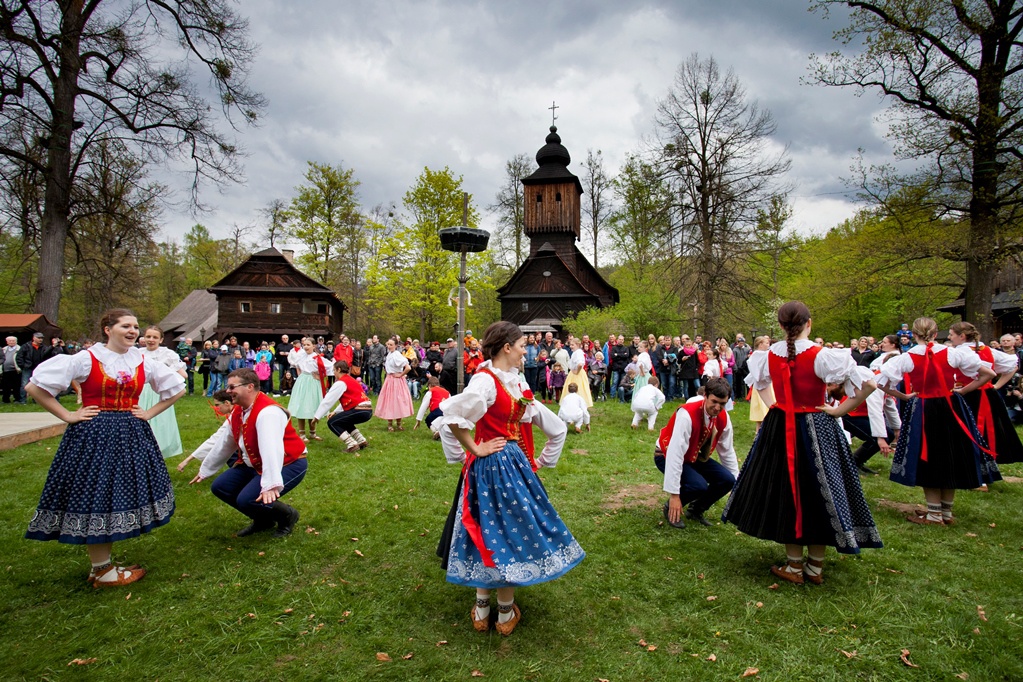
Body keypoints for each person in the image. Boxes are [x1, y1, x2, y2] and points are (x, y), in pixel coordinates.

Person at [435, 321, 582, 636]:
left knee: (493, 531)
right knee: (504, 532)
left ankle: (488, 610)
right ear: (506, 347)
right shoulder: (485, 381)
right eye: (520, 346)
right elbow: (450, 417)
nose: (524, 351)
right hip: (495, 465)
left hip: (506, 465)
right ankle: (497, 613)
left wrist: (468, 455)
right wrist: (473, 447)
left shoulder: (515, 381)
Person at [723, 301, 882, 585]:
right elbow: (868, 385)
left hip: (780, 426)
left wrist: (776, 407)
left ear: (781, 326)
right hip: (817, 426)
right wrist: (839, 411)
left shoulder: (766, 354)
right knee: (819, 489)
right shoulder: (824, 355)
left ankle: (794, 566)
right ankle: (814, 567)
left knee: (786, 489)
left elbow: (759, 384)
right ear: (809, 323)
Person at [24, 309, 185, 587]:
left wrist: (149, 413)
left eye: (135, 326)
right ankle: (102, 570)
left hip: (131, 433)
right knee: (98, 494)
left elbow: (177, 388)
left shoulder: (143, 361)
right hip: (94, 435)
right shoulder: (87, 358)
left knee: (116, 494)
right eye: (126, 326)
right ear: (108, 329)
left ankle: (103, 566)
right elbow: (36, 387)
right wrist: (68, 415)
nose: (133, 331)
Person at [875, 318, 1000, 525]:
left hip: (923, 409)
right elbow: (989, 373)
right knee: (950, 454)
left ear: (914, 335)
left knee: (929, 456)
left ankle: (934, 515)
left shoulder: (906, 357)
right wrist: (962, 391)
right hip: (951, 407)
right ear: (935, 334)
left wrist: (904, 396)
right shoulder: (953, 353)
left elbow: (880, 382)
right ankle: (946, 513)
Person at [190, 368, 307, 538]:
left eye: (232, 387)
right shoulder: (239, 409)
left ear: (250, 387)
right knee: (221, 487)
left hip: (289, 463)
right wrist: (207, 468)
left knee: (248, 499)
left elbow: (271, 449)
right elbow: (226, 441)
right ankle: (263, 520)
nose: (228, 391)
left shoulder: (268, 413)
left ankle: (288, 516)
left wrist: (270, 484)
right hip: (255, 463)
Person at [656, 377, 739, 529]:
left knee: (728, 480)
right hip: (665, 455)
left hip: (693, 456)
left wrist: (737, 488)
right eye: (714, 401)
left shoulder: (723, 417)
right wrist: (674, 495)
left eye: (722, 403)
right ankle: (671, 507)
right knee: (698, 485)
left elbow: (727, 451)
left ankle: (696, 510)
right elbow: (675, 454)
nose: (717, 407)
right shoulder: (687, 414)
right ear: (705, 396)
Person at [947, 322, 1023, 467]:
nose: (950, 337)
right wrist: (995, 386)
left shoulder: (960, 352)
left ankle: (977, 470)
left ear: (962, 336)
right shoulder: (987, 349)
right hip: (988, 394)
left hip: (968, 395)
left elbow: (1008, 367)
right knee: (987, 432)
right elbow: (1013, 365)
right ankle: (985, 468)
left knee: (971, 430)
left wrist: (965, 390)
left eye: (951, 334)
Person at [139, 326, 186, 458]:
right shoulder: (138, 353)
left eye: (155, 337)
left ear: (161, 340)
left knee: (158, 422)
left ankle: (156, 449)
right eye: (148, 337)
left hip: (159, 391)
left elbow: (183, 375)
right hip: (141, 391)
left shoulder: (167, 354)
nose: (151, 340)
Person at [312, 361, 372, 452]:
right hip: (367, 410)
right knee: (343, 420)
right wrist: (335, 412)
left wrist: (317, 416)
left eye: (334, 370)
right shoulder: (352, 380)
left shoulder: (341, 383)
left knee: (332, 422)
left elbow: (328, 400)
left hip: (360, 410)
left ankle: (351, 444)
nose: (334, 373)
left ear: (339, 369)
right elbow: (349, 400)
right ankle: (361, 440)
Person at [177, 390, 234, 472]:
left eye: (217, 405)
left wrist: (187, 460)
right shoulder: (236, 412)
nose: (216, 408)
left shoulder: (235, 416)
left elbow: (215, 439)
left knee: (226, 448)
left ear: (227, 403)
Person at [288, 337, 333, 441]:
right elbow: (296, 365)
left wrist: (320, 376)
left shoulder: (317, 358)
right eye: (305, 345)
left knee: (312, 406)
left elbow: (330, 367)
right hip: (303, 382)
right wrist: (300, 375)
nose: (306, 347)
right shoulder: (301, 357)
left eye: (308, 345)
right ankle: (302, 434)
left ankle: (313, 433)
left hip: (313, 383)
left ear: (314, 346)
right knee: (302, 407)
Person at [375, 337, 414, 431]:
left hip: (396, 381)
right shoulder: (389, 354)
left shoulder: (397, 355)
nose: (389, 346)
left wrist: (401, 374)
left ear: (396, 346)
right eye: (388, 344)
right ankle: (390, 424)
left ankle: (398, 424)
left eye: (391, 345)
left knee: (397, 401)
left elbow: (408, 367)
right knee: (390, 401)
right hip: (389, 379)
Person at [746, 336, 775, 434]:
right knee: (761, 410)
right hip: (760, 384)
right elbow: (757, 373)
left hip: (768, 385)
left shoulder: (765, 354)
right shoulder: (757, 355)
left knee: (767, 408)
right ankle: (758, 432)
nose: (768, 345)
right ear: (760, 344)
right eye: (766, 343)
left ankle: (765, 431)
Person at [16, 331, 51, 404]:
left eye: (41, 338)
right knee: (24, 384)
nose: (40, 339)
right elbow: (19, 357)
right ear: (34, 338)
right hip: (28, 368)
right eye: (38, 338)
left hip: (39, 369)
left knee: (38, 385)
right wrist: (23, 366)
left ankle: (36, 400)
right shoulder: (26, 346)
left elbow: (48, 357)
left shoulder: (44, 347)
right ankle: (23, 400)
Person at [560, 337, 593, 409]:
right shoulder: (576, 352)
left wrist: (576, 371)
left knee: (578, 388)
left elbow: (580, 364)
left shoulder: (578, 353)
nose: (571, 346)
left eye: (572, 345)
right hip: (574, 373)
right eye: (570, 345)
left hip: (577, 374)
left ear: (577, 345)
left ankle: (576, 405)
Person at [2, 335, 20, 403]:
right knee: (6, 386)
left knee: (16, 386)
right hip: (6, 371)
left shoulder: (19, 349)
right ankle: (5, 400)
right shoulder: (4, 349)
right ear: (7, 342)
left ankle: (17, 399)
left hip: (16, 370)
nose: (11, 342)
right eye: (10, 341)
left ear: (16, 342)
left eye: (13, 341)